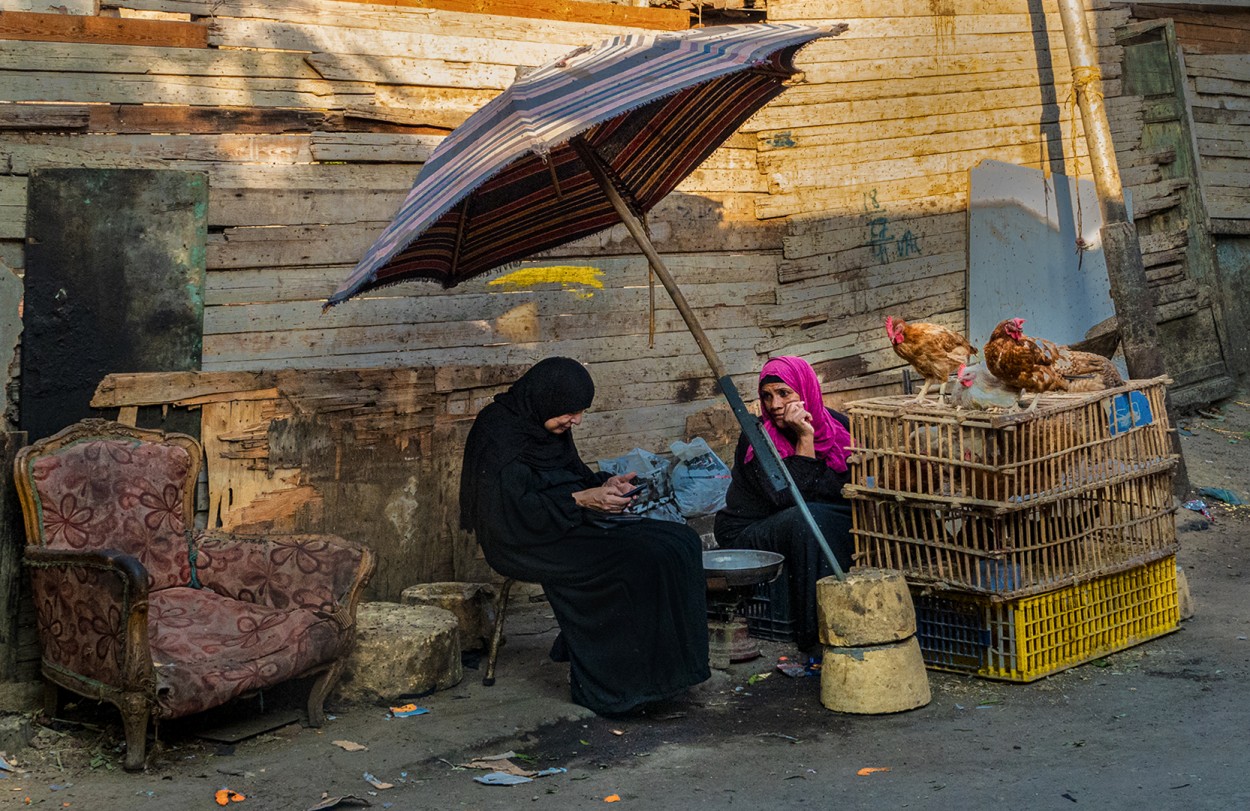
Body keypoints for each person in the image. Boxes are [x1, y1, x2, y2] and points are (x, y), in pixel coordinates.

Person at [459, 357, 710, 716]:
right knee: (635, 561)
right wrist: (581, 500)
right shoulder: (497, 433)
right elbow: (508, 514)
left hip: (564, 524)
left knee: (678, 542)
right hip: (521, 541)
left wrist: (603, 485)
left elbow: (570, 474)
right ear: (544, 400)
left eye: (579, 412)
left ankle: (670, 677)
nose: (575, 420)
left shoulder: (548, 426)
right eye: (570, 412)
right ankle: (619, 691)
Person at [713, 356, 854, 652]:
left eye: (783, 393)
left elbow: (843, 488)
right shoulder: (758, 441)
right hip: (747, 531)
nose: (774, 404)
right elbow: (791, 498)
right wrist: (805, 440)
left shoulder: (838, 426)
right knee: (811, 519)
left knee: (842, 514)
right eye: (766, 396)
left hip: (803, 517)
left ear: (805, 392)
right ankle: (816, 638)